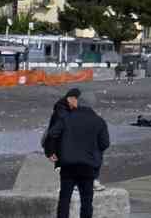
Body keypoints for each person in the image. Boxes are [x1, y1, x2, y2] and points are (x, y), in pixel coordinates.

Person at [43, 89, 109, 218]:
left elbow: (51, 134)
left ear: (78, 102)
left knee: (65, 198)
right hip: (88, 165)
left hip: (68, 164)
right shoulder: (99, 121)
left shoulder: (66, 118)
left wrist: (51, 151)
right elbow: (105, 143)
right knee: (87, 200)